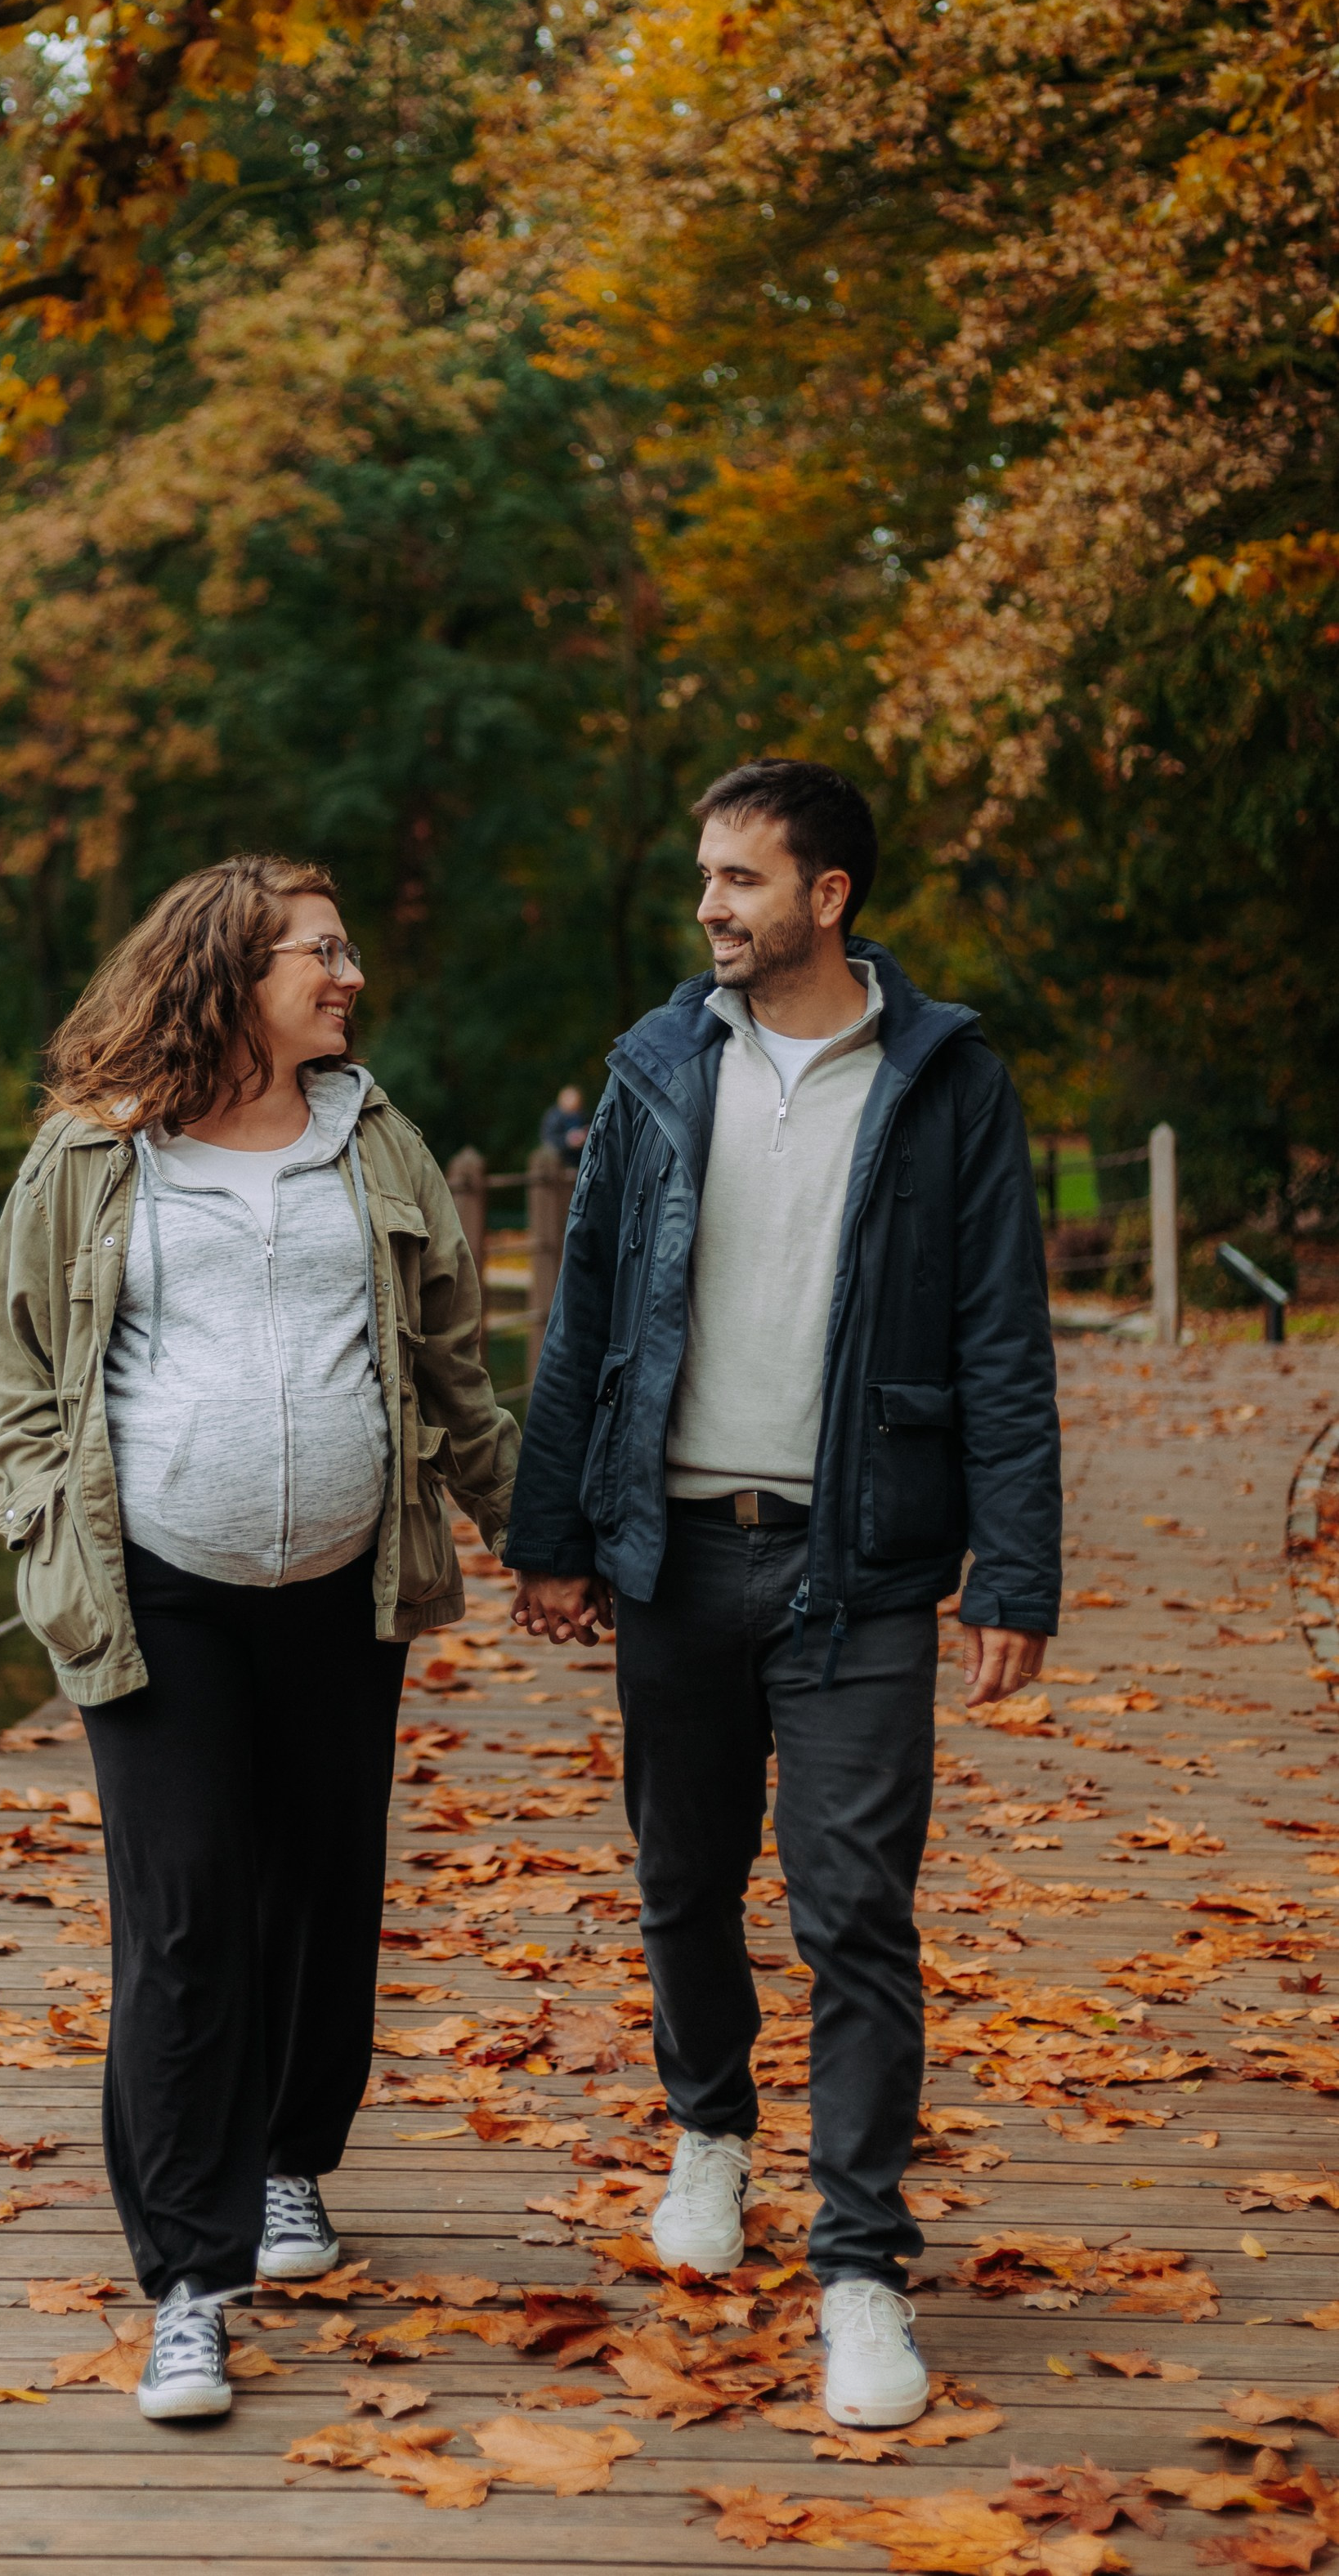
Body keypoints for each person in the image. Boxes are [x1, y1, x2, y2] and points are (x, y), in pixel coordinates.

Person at [503, 758, 1059, 2432]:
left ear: (827, 894)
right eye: (700, 876)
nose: (706, 906)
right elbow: (583, 1303)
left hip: (860, 1560)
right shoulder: (655, 1064)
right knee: (681, 1877)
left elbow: (998, 1341)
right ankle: (708, 2134)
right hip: (671, 1548)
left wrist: (1011, 1566)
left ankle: (860, 2266)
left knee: (851, 1909)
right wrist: (551, 1532)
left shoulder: (945, 1080)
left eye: (736, 878)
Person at [0, 855, 517, 2426]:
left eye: (344, 951)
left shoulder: (375, 1139)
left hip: (346, 1587)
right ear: (225, 972)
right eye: (317, 954)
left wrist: (532, 1530)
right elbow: (7, 1378)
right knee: (191, 1914)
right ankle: (188, 2284)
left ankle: (286, 2164)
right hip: (162, 1591)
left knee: (320, 1891)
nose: (346, 977)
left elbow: (449, 1366)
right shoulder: (94, 1154)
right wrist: (41, 1533)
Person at [540, 1082, 589, 1166]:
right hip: (561, 1158)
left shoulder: (583, 1116)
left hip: (579, 1156)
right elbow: (548, 1140)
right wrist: (567, 1140)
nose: (575, 1111)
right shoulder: (553, 1118)